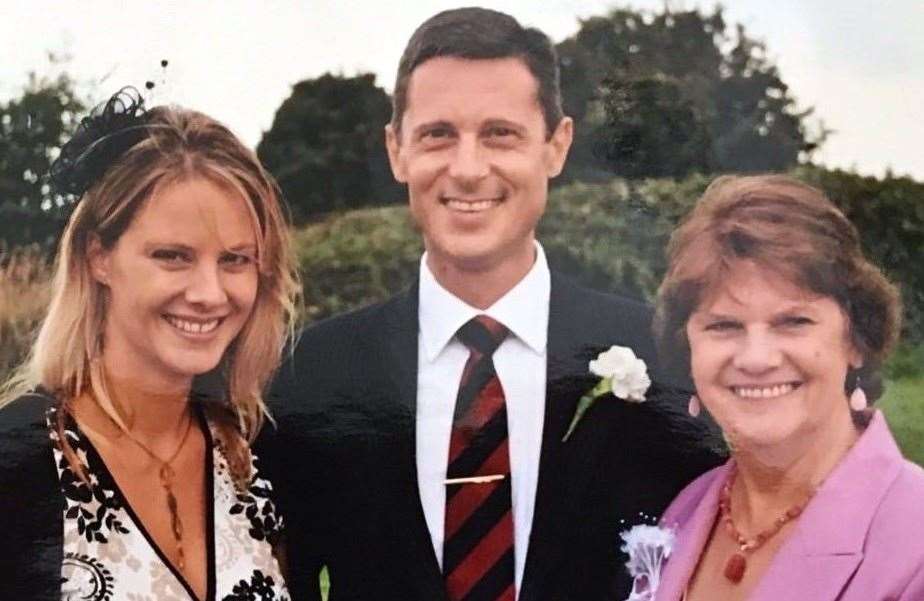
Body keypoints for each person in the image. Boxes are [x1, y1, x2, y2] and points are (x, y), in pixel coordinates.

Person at [258, 8, 720, 601]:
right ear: (397, 151)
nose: (468, 169)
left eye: (500, 133)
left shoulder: (661, 356)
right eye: (438, 134)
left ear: (556, 146)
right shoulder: (312, 375)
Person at [0, 88, 299, 600]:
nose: (210, 294)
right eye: (173, 256)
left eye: (235, 260)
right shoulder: (16, 465)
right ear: (99, 257)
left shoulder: (257, 458)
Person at [650, 175, 924, 600]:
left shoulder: (915, 542)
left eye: (793, 322)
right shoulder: (686, 510)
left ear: (855, 341)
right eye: (724, 325)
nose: (757, 358)